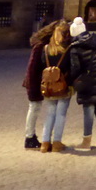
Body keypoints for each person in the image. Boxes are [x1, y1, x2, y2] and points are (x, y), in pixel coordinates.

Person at [67, 17, 96, 150]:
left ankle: (86, 141)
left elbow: (75, 68)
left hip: (87, 82)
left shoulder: (75, 48)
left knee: (88, 110)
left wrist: (73, 81)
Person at [39, 20, 73, 153]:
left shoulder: (46, 49)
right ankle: (57, 143)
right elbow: (71, 68)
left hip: (48, 86)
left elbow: (42, 66)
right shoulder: (68, 49)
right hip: (63, 85)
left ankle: (45, 142)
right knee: (61, 114)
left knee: (50, 114)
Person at [22, 22, 55, 150]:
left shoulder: (43, 45)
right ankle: (29, 138)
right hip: (34, 83)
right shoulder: (40, 46)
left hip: (37, 82)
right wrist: (33, 87)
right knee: (34, 108)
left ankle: (30, 137)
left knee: (35, 108)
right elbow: (32, 68)